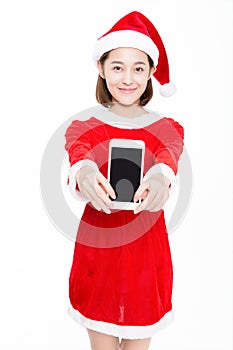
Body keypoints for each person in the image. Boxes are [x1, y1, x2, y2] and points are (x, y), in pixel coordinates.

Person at [64, 11, 184, 350]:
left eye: (138, 68)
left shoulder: (167, 127)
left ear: (150, 74)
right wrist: (84, 171)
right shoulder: (83, 126)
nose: (127, 78)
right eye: (117, 66)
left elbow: (168, 155)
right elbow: (80, 151)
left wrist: (161, 178)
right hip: (98, 253)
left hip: (146, 256)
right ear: (101, 68)